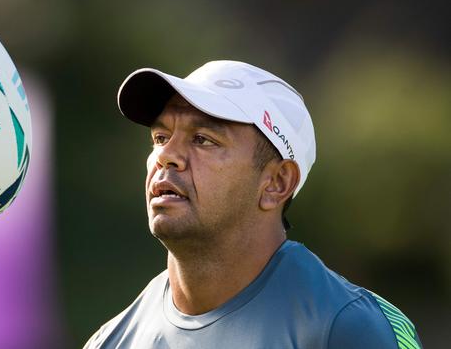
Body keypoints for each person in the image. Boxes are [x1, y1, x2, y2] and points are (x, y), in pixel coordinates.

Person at [84, 61, 423, 349]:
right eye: (160, 138)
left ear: (277, 184)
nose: (166, 156)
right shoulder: (110, 341)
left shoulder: (347, 328)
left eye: (203, 140)